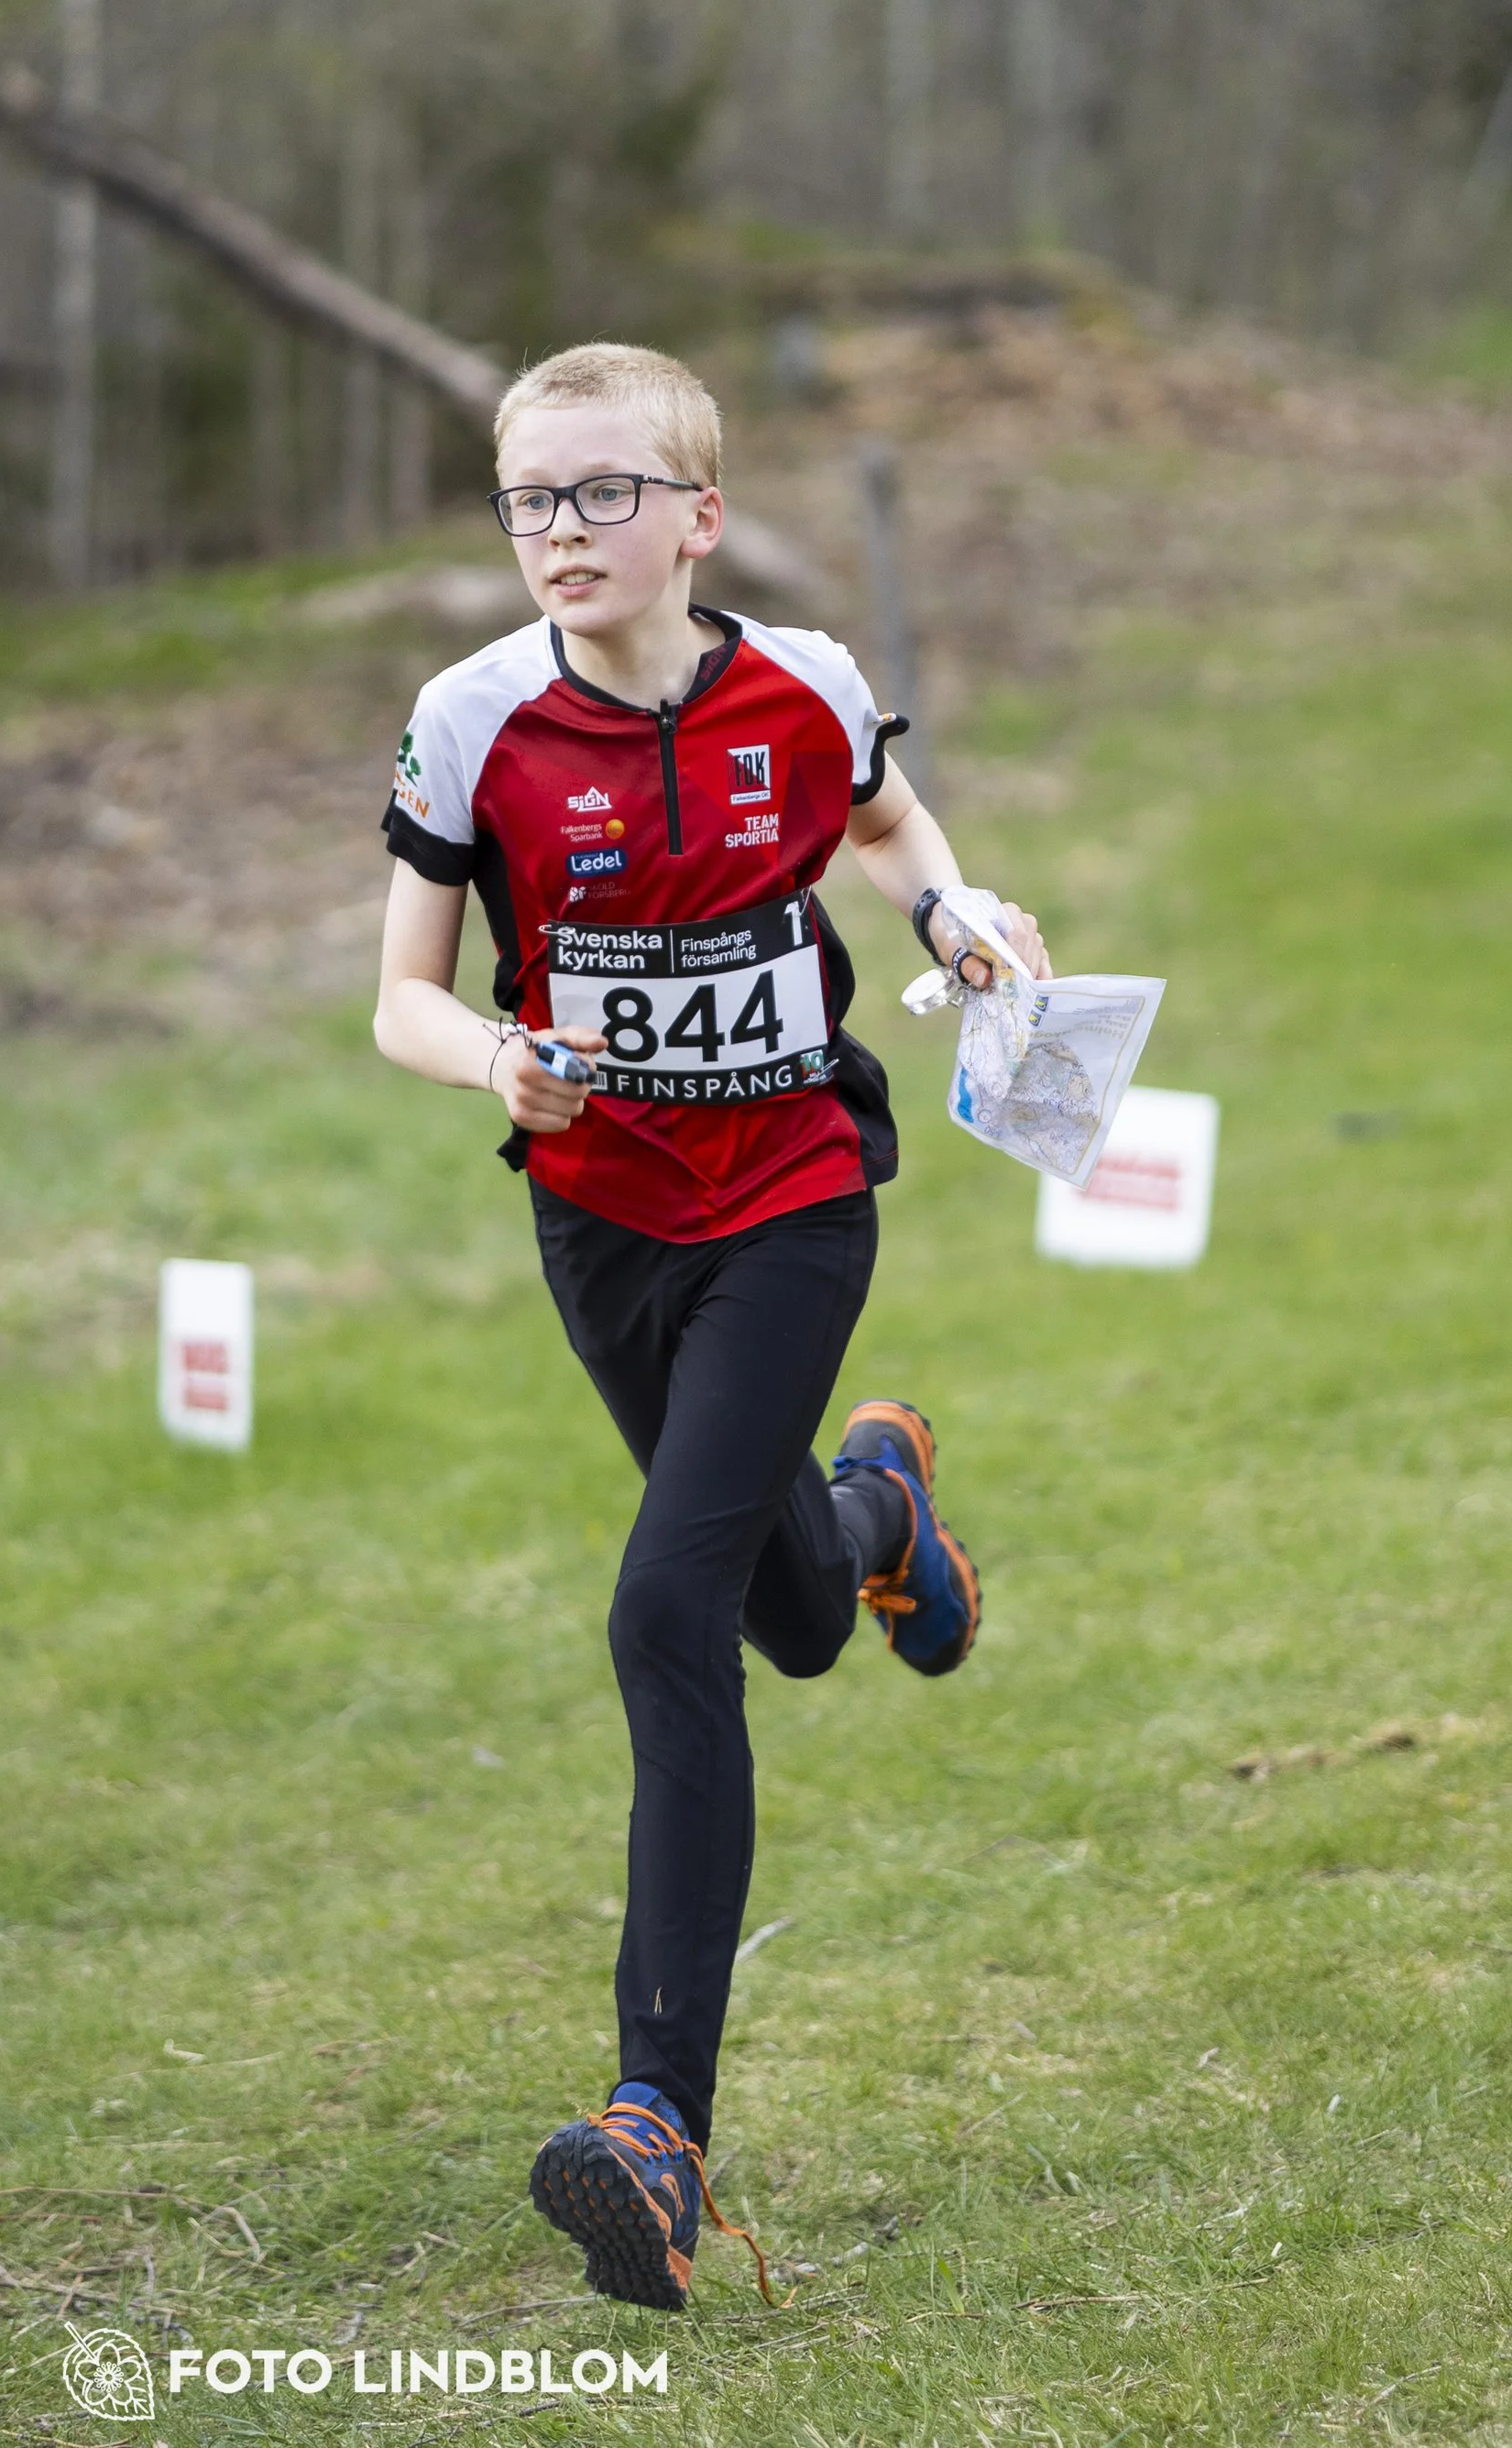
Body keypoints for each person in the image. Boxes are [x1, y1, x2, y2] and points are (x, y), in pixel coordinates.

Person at [373, 343, 1050, 2314]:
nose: (559, 533)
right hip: (599, 1223)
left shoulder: (805, 686)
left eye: (599, 493)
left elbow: (895, 829)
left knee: (662, 1608)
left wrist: (949, 914)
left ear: (697, 510)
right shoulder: (468, 720)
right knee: (788, 1613)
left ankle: (652, 2127)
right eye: (526, 498)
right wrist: (500, 1055)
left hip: (787, 1203)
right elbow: (399, 998)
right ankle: (878, 1512)